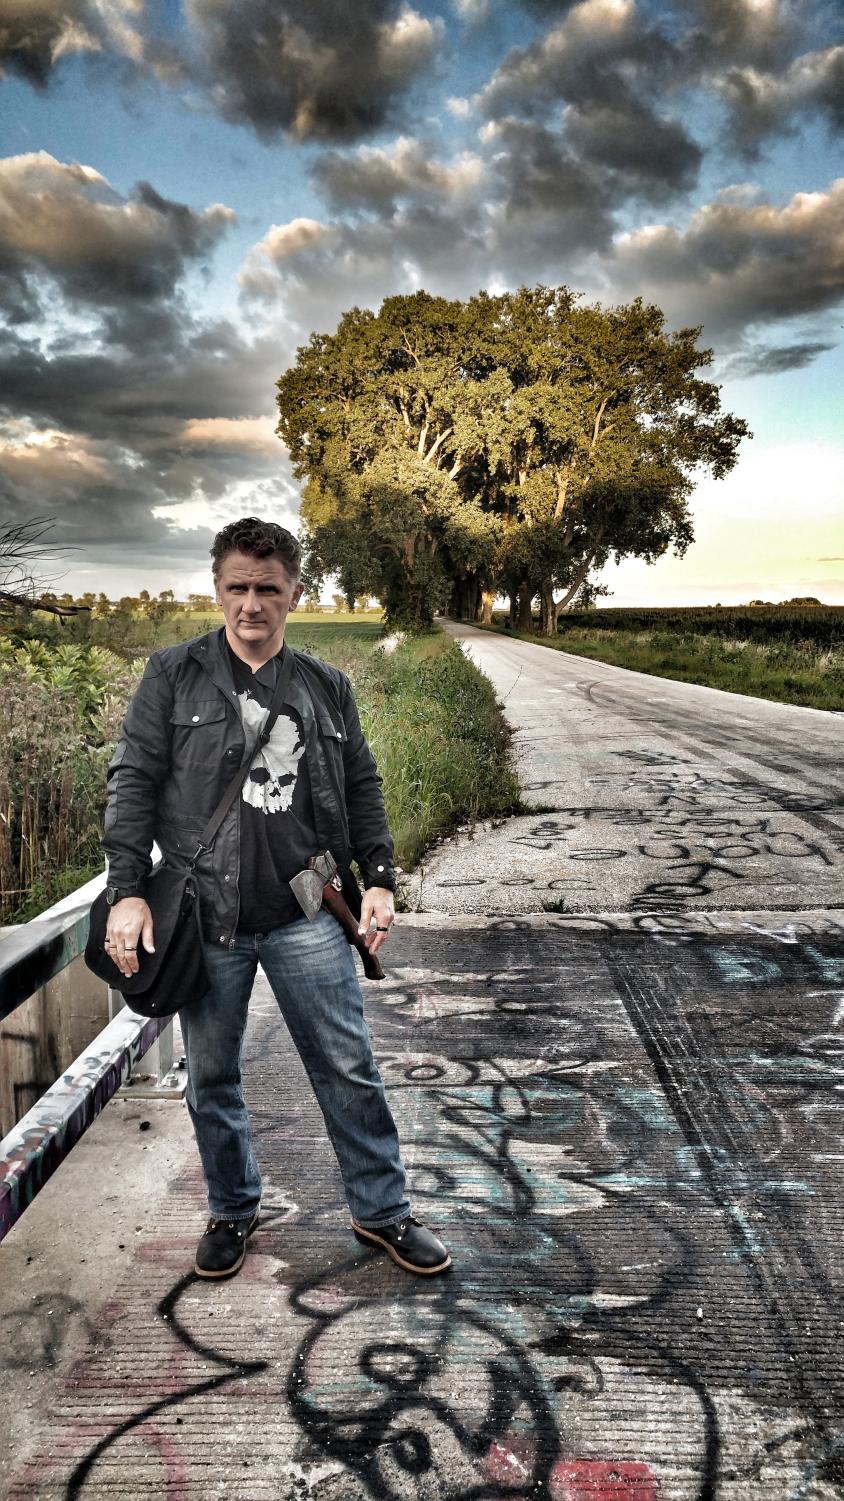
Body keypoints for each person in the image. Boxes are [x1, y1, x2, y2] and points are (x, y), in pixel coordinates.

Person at [101, 517, 450, 1280]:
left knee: (347, 1066)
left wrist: (382, 878)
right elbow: (131, 781)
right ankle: (233, 1207)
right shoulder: (172, 675)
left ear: (295, 592)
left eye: (267, 588)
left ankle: (383, 1212)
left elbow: (362, 786)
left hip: (307, 913)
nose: (251, 603)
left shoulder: (327, 686)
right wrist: (127, 891)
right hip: (207, 918)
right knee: (214, 1075)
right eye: (237, 587)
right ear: (217, 589)